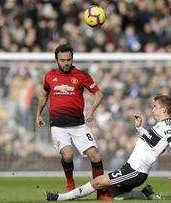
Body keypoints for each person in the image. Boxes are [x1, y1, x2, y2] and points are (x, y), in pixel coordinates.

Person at [45, 95, 171, 201]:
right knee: (109, 195)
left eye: (155, 106)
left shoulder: (168, 127)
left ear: (164, 109)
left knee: (97, 182)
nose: (153, 109)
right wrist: (139, 128)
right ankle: (143, 193)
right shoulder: (161, 125)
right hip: (132, 169)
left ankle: (60, 197)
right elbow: (152, 141)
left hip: (135, 171)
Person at [36, 44, 110, 200]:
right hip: (58, 125)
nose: (66, 63)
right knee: (68, 155)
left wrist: (91, 111)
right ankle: (70, 181)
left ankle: (101, 192)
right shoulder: (50, 76)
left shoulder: (82, 75)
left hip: (79, 124)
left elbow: (99, 94)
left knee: (95, 156)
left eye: (68, 59)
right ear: (56, 60)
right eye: (62, 60)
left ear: (72, 59)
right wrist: (38, 115)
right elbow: (44, 96)